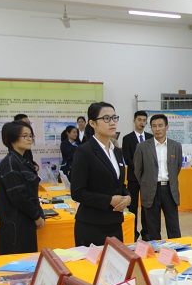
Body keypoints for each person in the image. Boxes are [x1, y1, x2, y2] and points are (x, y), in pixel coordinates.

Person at [70, 102, 131, 246]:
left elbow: (119, 184)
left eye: (114, 118)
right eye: (106, 118)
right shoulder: (84, 151)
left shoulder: (117, 151)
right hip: (92, 224)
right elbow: (78, 192)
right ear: (92, 123)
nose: (112, 122)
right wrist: (109, 200)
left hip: (115, 222)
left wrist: (128, 197)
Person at [0, 121, 45, 255]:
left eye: (31, 136)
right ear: (12, 138)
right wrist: (36, 216)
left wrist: (39, 213)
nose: (30, 139)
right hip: (16, 227)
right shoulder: (10, 163)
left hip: (26, 223)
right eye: (25, 136)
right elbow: (19, 197)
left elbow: (31, 194)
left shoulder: (23, 161)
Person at [134, 114, 182, 240]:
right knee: (152, 228)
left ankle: (176, 250)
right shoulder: (142, 147)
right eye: (154, 126)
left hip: (169, 190)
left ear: (167, 127)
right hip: (151, 190)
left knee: (174, 227)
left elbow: (177, 167)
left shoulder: (176, 146)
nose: (157, 129)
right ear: (151, 128)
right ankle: (156, 251)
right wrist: (147, 183)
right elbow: (138, 170)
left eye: (160, 126)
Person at [122, 111, 153, 241]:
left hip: (147, 179)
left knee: (147, 206)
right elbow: (127, 158)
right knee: (132, 206)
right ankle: (133, 233)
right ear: (134, 121)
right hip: (133, 177)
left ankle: (146, 232)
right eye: (139, 120)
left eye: (144, 120)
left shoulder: (150, 137)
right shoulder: (127, 138)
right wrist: (140, 169)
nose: (142, 123)